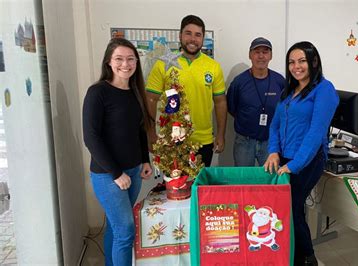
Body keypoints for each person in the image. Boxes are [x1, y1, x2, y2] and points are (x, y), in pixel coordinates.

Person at [264, 41, 339, 266]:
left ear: (313, 62)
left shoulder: (324, 89)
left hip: (308, 160)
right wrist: (273, 151)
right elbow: (275, 124)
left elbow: (316, 133)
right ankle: (290, 253)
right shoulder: (289, 91)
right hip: (285, 157)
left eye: (302, 61)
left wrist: (295, 165)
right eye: (291, 62)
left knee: (292, 206)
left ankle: (306, 258)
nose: (296, 66)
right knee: (284, 207)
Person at [82, 38, 153, 266]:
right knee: (126, 231)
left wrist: (145, 160)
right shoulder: (98, 92)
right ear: (109, 62)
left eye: (131, 59)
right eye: (119, 59)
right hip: (108, 176)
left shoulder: (134, 92)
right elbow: (91, 138)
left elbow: (140, 130)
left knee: (116, 228)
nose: (126, 64)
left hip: (133, 172)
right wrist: (115, 174)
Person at [146, 15, 227, 167]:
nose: (193, 39)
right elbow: (150, 98)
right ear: (180, 35)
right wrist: (151, 134)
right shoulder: (163, 64)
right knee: (175, 188)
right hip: (172, 139)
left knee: (199, 189)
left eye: (198, 35)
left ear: (203, 38)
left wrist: (221, 134)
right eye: (188, 33)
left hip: (203, 141)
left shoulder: (213, 66)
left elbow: (220, 101)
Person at [227, 37, 285, 166]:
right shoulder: (239, 82)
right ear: (250, 55)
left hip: (271, 142)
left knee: (270, 182)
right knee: (244, 181)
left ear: (271, 56)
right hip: (244, 142)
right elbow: (232, 108)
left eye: (265, 52)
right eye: (256, 52)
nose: (261, 56)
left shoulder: (280, 81)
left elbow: (286, 109)